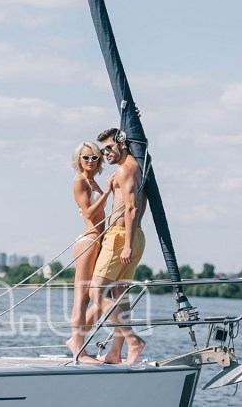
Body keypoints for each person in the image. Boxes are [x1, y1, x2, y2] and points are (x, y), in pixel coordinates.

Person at [85, 127, 147, 364]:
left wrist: (127, 244)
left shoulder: (124, 170)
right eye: (103, 150)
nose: (105, 153)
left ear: (122, 144)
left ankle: (133, 341)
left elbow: (131, 208)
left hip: (122, 237)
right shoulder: (139, 165)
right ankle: (115, 353)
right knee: (120, 295)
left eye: (109, 148)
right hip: (135, 235)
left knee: (96, 292)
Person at [66, 141, 114, 359]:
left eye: (94, 157)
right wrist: (108, 193)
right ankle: (79, 349)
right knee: (82, 299)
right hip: (88, 241)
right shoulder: (80, 181)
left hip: (99, 241)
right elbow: (88, 213)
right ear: (79, 160)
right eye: (86, 157)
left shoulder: (93, 181)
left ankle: (76, 341)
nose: (90, 161)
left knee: (102, 295)